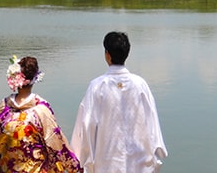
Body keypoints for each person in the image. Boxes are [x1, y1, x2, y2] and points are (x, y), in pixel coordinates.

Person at [71, 31, 167, 172]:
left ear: (107, 54)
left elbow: (87, 124)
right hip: (139, 162)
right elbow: (151, 122)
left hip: (106, 162)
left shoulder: (97, 86)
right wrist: (156, 151)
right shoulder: (140, 84)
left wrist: (81, 157)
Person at [0, 55, 83, 173]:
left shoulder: (5, 106)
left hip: (9, 168)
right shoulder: (40, 110)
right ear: (35, 79)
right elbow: (55, 140)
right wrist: (74, 166)